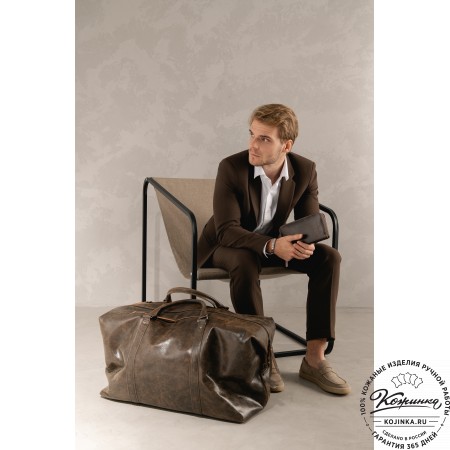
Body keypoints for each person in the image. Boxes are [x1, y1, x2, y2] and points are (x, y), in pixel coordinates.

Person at [197, 104, 350, 395]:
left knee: (329, 258)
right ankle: (263, 356)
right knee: (244, 259)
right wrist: (271, 245)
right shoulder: (231, 167)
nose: (253, 144)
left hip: (271, 246)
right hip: (224, 245)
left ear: (286, 146)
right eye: (252, 134)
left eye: (264, 138)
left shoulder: (305, 170)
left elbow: (308, 222)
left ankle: (315, 359)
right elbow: (226, 229)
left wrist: (303, 244)